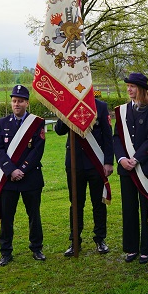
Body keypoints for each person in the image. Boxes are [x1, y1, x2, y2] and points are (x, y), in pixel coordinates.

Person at [0, 84, 47, 265]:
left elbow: (38, 150)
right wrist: (11, 170)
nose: (17, 104)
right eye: (14, 101)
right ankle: (6, 252)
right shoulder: (3, 123)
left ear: (27, 103)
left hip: (30, 177)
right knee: (7, 217)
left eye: (20, 101)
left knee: (34, 215)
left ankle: (36, 248)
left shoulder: (37, 123)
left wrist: (22, 169)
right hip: (9, 178)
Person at [54, 92, 114, 256]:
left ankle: (100, 239)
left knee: (98, 203)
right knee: (76, 203)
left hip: (96, 163)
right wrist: (65, 112)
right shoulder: (69, 106)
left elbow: (108, 136)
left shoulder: (99, 107)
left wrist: (108, 161)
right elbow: (59, 130)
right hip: (75, 164)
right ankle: (75, 241)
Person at [113, 72, 148, 264]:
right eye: (127, 87)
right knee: (129, 209)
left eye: (132, 86)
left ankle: (146, 249)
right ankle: (131, 248)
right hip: (126, 168)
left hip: (145, 167)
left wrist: (136, 159)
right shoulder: (122, 111)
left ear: (141, 89)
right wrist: (122, 159)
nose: (129, 90)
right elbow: (116, 137)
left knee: (145, 207)